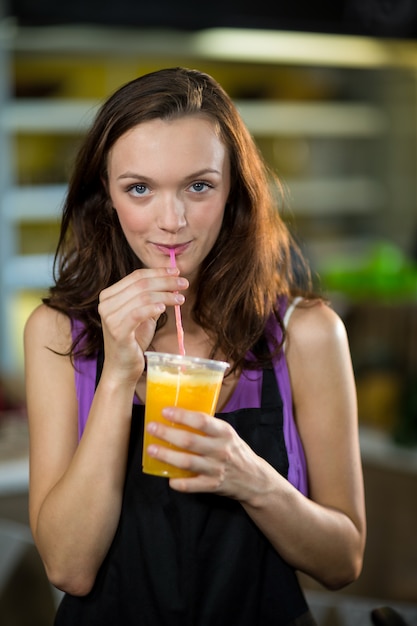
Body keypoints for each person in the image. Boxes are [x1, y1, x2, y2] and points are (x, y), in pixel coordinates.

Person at [24, 67, 366, 626]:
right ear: (106, 198)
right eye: (139, 189)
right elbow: (68, 568)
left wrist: (252, 481)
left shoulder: (308, 333)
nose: (172, 221)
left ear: (233, 191)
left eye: (199, 186)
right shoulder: (58, 333)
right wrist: (116, 376)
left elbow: (342, 561)